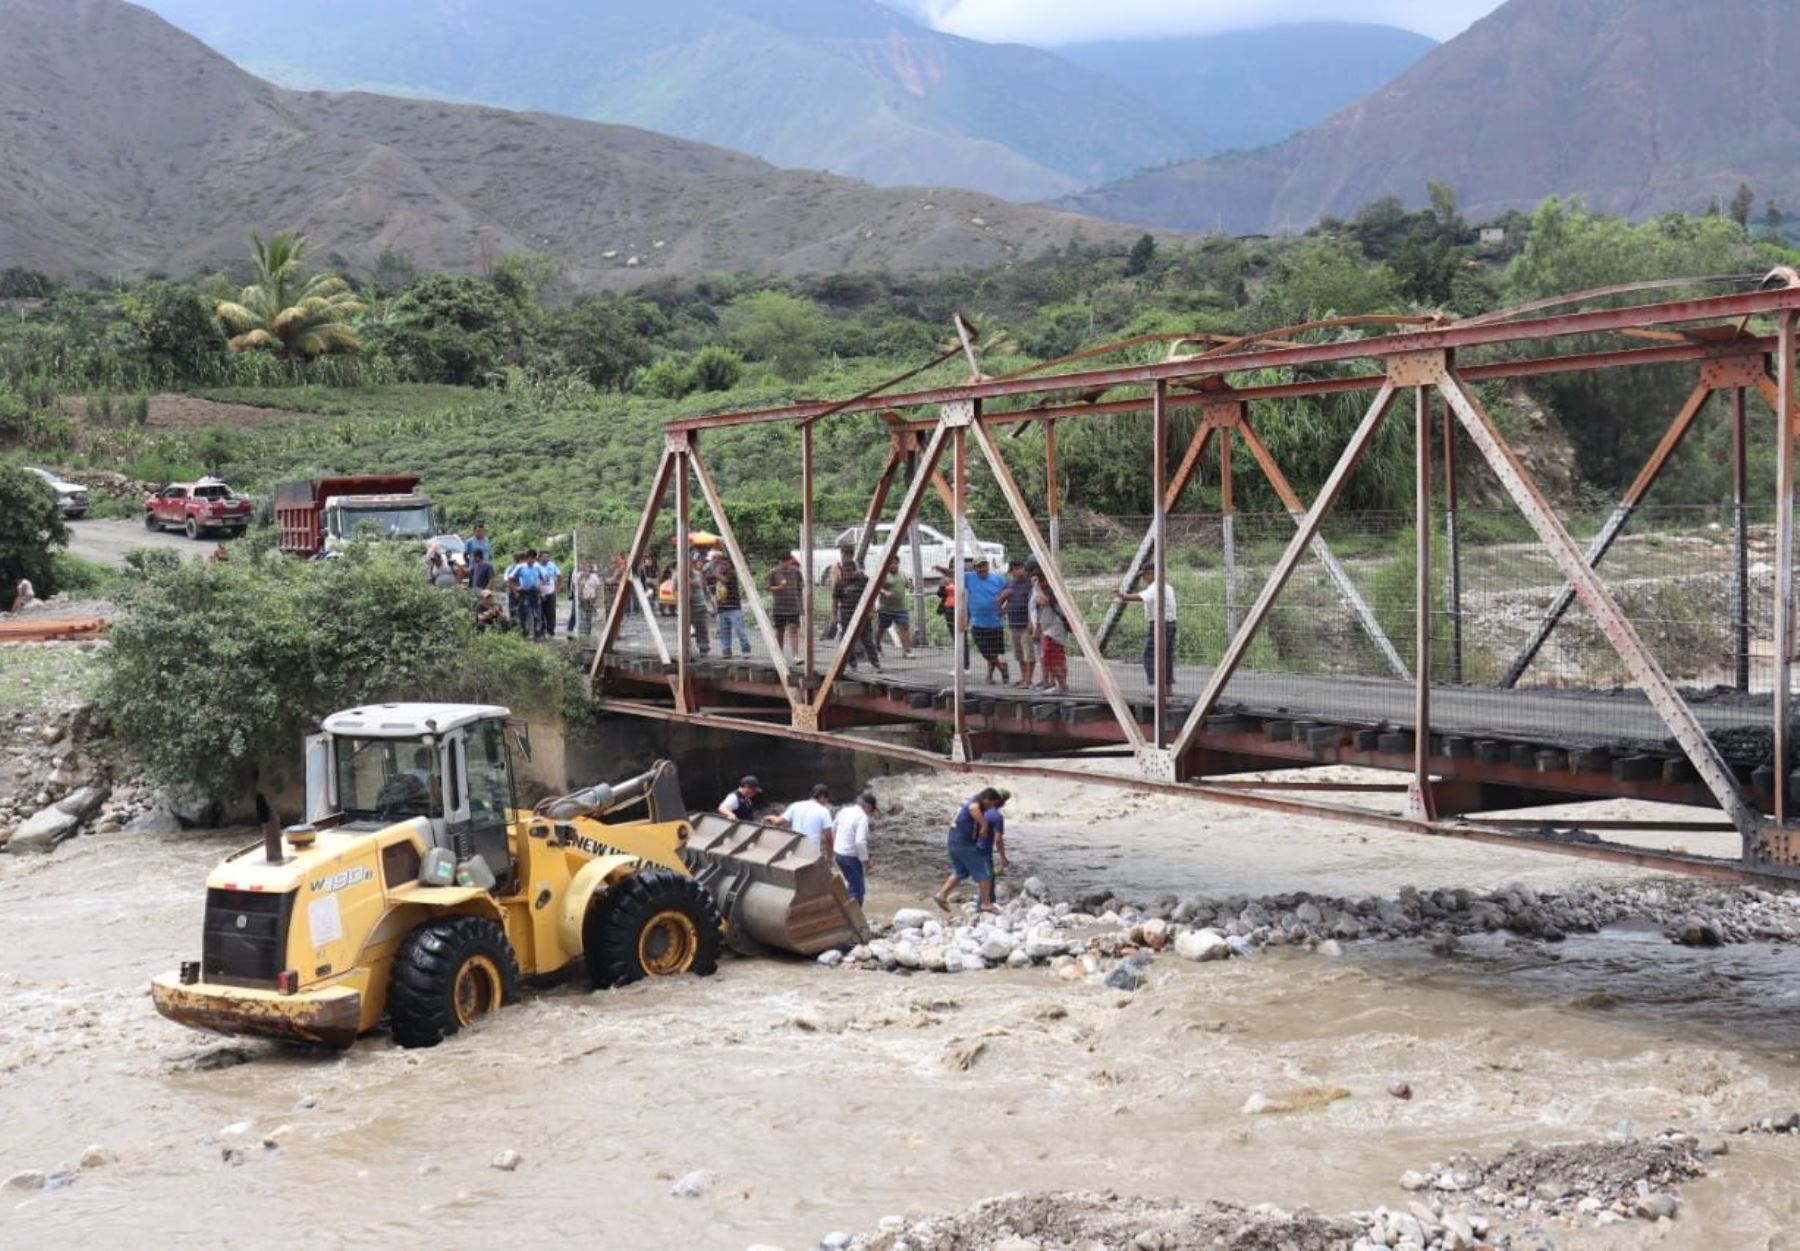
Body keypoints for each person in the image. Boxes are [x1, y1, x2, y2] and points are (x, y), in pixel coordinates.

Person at [935, 556, 1009, 684]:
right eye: (979, 566)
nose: (982, 569)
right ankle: (1001, 666)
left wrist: (1005, 608)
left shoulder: (998, 579)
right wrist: (940, 569)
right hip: (977, 621)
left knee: (993, 650)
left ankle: (990, 675)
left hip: (995, 620)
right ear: (975, 568)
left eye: (984, 565)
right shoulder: (970, 577)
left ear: (988, 566)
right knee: (984, 650)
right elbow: (953, 574)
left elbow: (1010, 591)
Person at [933, 787, 1001, 914]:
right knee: (986, 874)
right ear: (986, 799)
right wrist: (984, 825)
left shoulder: (969, 800)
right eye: (991, 803)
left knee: (961, 872)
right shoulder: (975, 803)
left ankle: (941, 895)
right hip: (964, 844)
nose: (991, 807)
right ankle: (986, 904)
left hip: (953, 842)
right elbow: (973, 809)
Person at [1117, 567, 1177, 698]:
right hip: (1170, 624)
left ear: (1152, 573)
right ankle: (1167, 689)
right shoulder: (1167, 587)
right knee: (1166, 657)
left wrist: (1122, 596)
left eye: (1145, 575)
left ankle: (1159, 689)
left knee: (1151, 656)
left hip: (1159, 626)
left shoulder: (1156, 587)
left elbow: (1140, 597)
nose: (1143, 578)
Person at [832, 551, 879, 672]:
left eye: (850, 572)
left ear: (855, 571)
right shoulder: (840, 583)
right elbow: (835, 600)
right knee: (846, 640)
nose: (848, 575)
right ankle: (852, 663)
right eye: (846, 572)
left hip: (863, 615)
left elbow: (871, 597)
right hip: (846, 614)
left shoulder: (863, 580)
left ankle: (875, 662)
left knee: (867, 639)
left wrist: (872, 611)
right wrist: (834, 615)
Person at [828, 791, 877, 905]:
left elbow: (833, 828)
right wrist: (865, 861)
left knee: (851, 885)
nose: (871, 813)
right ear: (867, 806)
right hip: (850, 857)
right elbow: (860, 842)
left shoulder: (844, 810)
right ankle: (855, 920)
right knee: (858, 890)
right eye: (872, 809)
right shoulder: (862, 817)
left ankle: (846, 913)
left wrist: (836, 847)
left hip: (839, 854)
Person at [998, 560, 1036, 689]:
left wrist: (1032, 622)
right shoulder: (1009, 585)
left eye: (1021, 567)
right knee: (1019, 654)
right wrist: (1001, 598)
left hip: (1026, 624)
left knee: (1028, 653)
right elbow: (1000, 609)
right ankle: (1023, 677)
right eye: (1016, 568)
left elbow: (1033, 606)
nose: (1020, 571)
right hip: (1013, 624)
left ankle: (1028, 680)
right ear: (1011, 571)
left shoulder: (1030, 585)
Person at [1032, 573, 1070, 693]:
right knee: (1054, 658)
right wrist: (1037, 631)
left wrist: (1036, 587)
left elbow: (1044, 601)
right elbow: (1038, 610)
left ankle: (1062, 686)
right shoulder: (1041, 592)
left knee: (1052, 658)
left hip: (1055, 630)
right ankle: (1062, 685)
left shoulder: (1052, 591)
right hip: (1047, 630)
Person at [711, 554, 751, 658]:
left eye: (725, 564)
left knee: (740, 630)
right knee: (724, 631)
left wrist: (714, 572)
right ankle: (726, 651)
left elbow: (725, 580)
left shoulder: (732, 574)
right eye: (721, 564)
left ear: (730, 565)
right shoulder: (717, 576)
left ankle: (746, 650)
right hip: (721, 609)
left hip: (734, 608)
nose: (723, 566)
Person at [767, 553, 805, 663]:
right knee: (780, 631)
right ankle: (779, 654)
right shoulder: (773, 572)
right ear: (779, 561)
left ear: (790, 561)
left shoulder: (796, 572)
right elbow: (768, 588)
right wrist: (779, 587)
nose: (785, 564)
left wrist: (801, 605)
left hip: (793, 606)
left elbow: (800, 589)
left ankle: (795, 655)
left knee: (794, 630)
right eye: (782, 561)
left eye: (787, 561)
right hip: (779, 607)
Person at [876, 567, 912, 660]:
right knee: (882, 628)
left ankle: (906, 651)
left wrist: (910, 586)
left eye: (895, 563)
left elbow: (908, 584)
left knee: (904, 627)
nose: (893, 565)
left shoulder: (902, 573)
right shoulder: (884, 574)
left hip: (901, 607)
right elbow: (877, 587)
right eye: (891, 563)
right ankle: (877, 645)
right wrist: (884, 592)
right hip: (886, 608)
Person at [982, 789, 1011, 888]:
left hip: (972, 847)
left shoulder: (980, 810)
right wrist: (1003, 857)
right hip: (984, 850)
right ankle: (985, 902)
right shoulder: (997, 816)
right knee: (988, 878)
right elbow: (998, 839)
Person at [513, 549, 544, 639]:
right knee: (525, 614)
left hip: (535, 592)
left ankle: (537, 634)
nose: (531, 560)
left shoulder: (537, 567)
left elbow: (543, 578)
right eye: (529, 558)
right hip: (525, 592)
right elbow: (511, 578)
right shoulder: (520, 567)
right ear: (526, 558)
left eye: (533, 558)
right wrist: (516, 588)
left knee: (537, 614)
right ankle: (525, 634)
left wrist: (540, 585)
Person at [537, 550, 561, 639]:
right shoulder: (536, 566)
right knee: (540, 613)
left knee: (551, 613)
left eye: (547, 557)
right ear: (539, 557)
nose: (546, 559)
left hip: (550, 592)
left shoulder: (552, 565)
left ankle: (550, 632)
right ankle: (541, 632)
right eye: (544, 557)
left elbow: (559, 576)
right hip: (539, 593)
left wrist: (557, 589)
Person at [576, 561, 602, 636]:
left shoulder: (594, 577)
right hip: (582, 598)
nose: (585, 572)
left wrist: (596, 597)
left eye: (587, 570)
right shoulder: (580, 576)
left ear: (590, 570)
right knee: (582, 614)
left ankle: (588, 631)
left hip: (591, 597)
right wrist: (581, 580)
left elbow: (597, 587)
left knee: (588, 615)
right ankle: (582, 630)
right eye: (584, 570)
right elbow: (576, 586)